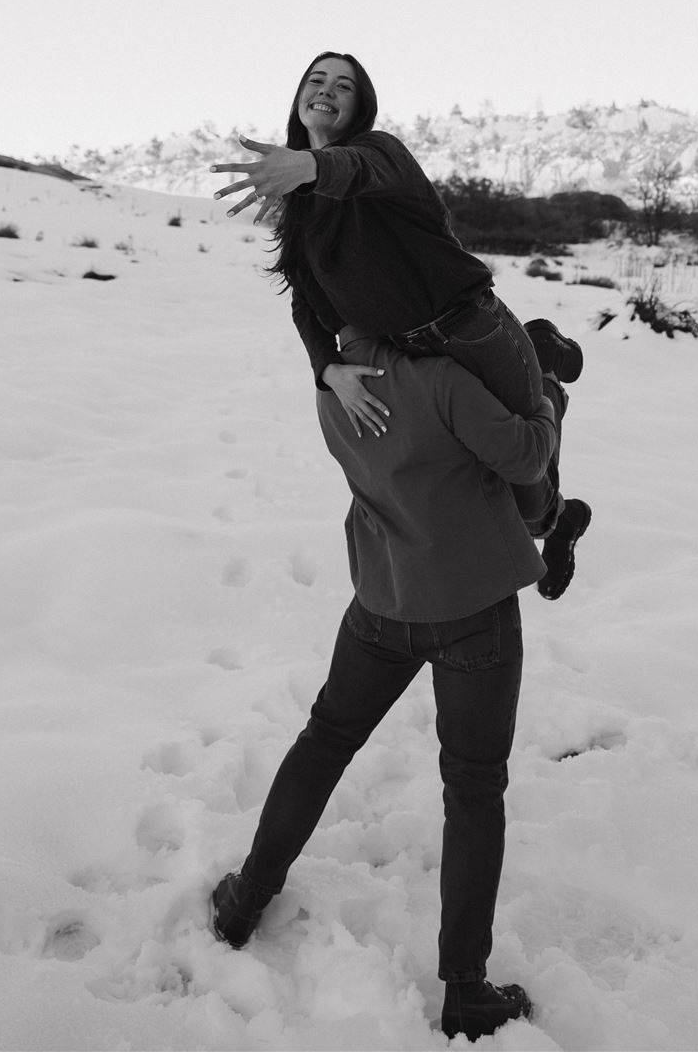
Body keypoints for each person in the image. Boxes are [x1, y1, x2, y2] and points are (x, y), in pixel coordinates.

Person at [210, 323, 569, 1040]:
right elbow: (525, 454)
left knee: (325, 738)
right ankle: (464, 990)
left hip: (383, 597)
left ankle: (245, 900)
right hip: (473, 610)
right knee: (473, 787)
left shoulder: (334, 381)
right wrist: (550, 402)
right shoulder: (441, 380)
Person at [213, 51, 591, 597]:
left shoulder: (380, 154)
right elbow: (302, 296)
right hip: (406, 358)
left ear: (360, 106)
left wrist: (310, 166)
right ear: (300, 99)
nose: (327, 90)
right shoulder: (297, 205)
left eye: (343, 85)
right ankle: (557, 517)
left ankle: (546, 382)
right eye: (316, 80)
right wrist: (328, 369)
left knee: (526, 480)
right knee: (490, 478)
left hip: (473, 330)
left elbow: (356, 169)